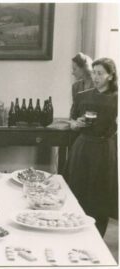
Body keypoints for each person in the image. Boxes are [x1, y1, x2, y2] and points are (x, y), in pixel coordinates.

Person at [65, 58, 118, 237]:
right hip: (83, 148)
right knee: (77, 191)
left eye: (100, 73)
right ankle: (74, 233)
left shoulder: (116, 99)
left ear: (110, 76)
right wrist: (76, 124)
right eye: (94, 72)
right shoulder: (83, 96)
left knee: (100, 194)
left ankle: (96, 238)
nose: (95, 77)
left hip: (105, 150)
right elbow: (71, 122)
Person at [70, 52, 94, 118]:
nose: (72, 72)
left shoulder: (98, 85)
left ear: (84, 68)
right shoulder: (75, 86)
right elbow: (73, 111)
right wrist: (73, 122)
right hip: (79, 124)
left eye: (74, 69)